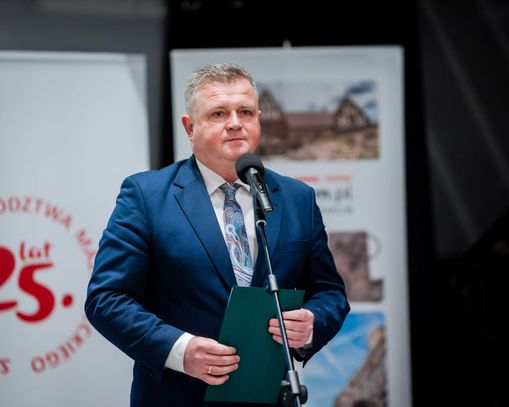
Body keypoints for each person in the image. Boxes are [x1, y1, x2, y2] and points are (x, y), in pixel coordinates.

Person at [85, 63, 350, 407]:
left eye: (246, 112)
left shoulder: (297, 198)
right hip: (178, 396)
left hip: (270, 396)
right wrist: (180, 350)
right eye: (218, 113)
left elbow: (329, 293)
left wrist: (312, 325)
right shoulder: (146, 196)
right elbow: (106, 298)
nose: (235, 123)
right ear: (189, 127)